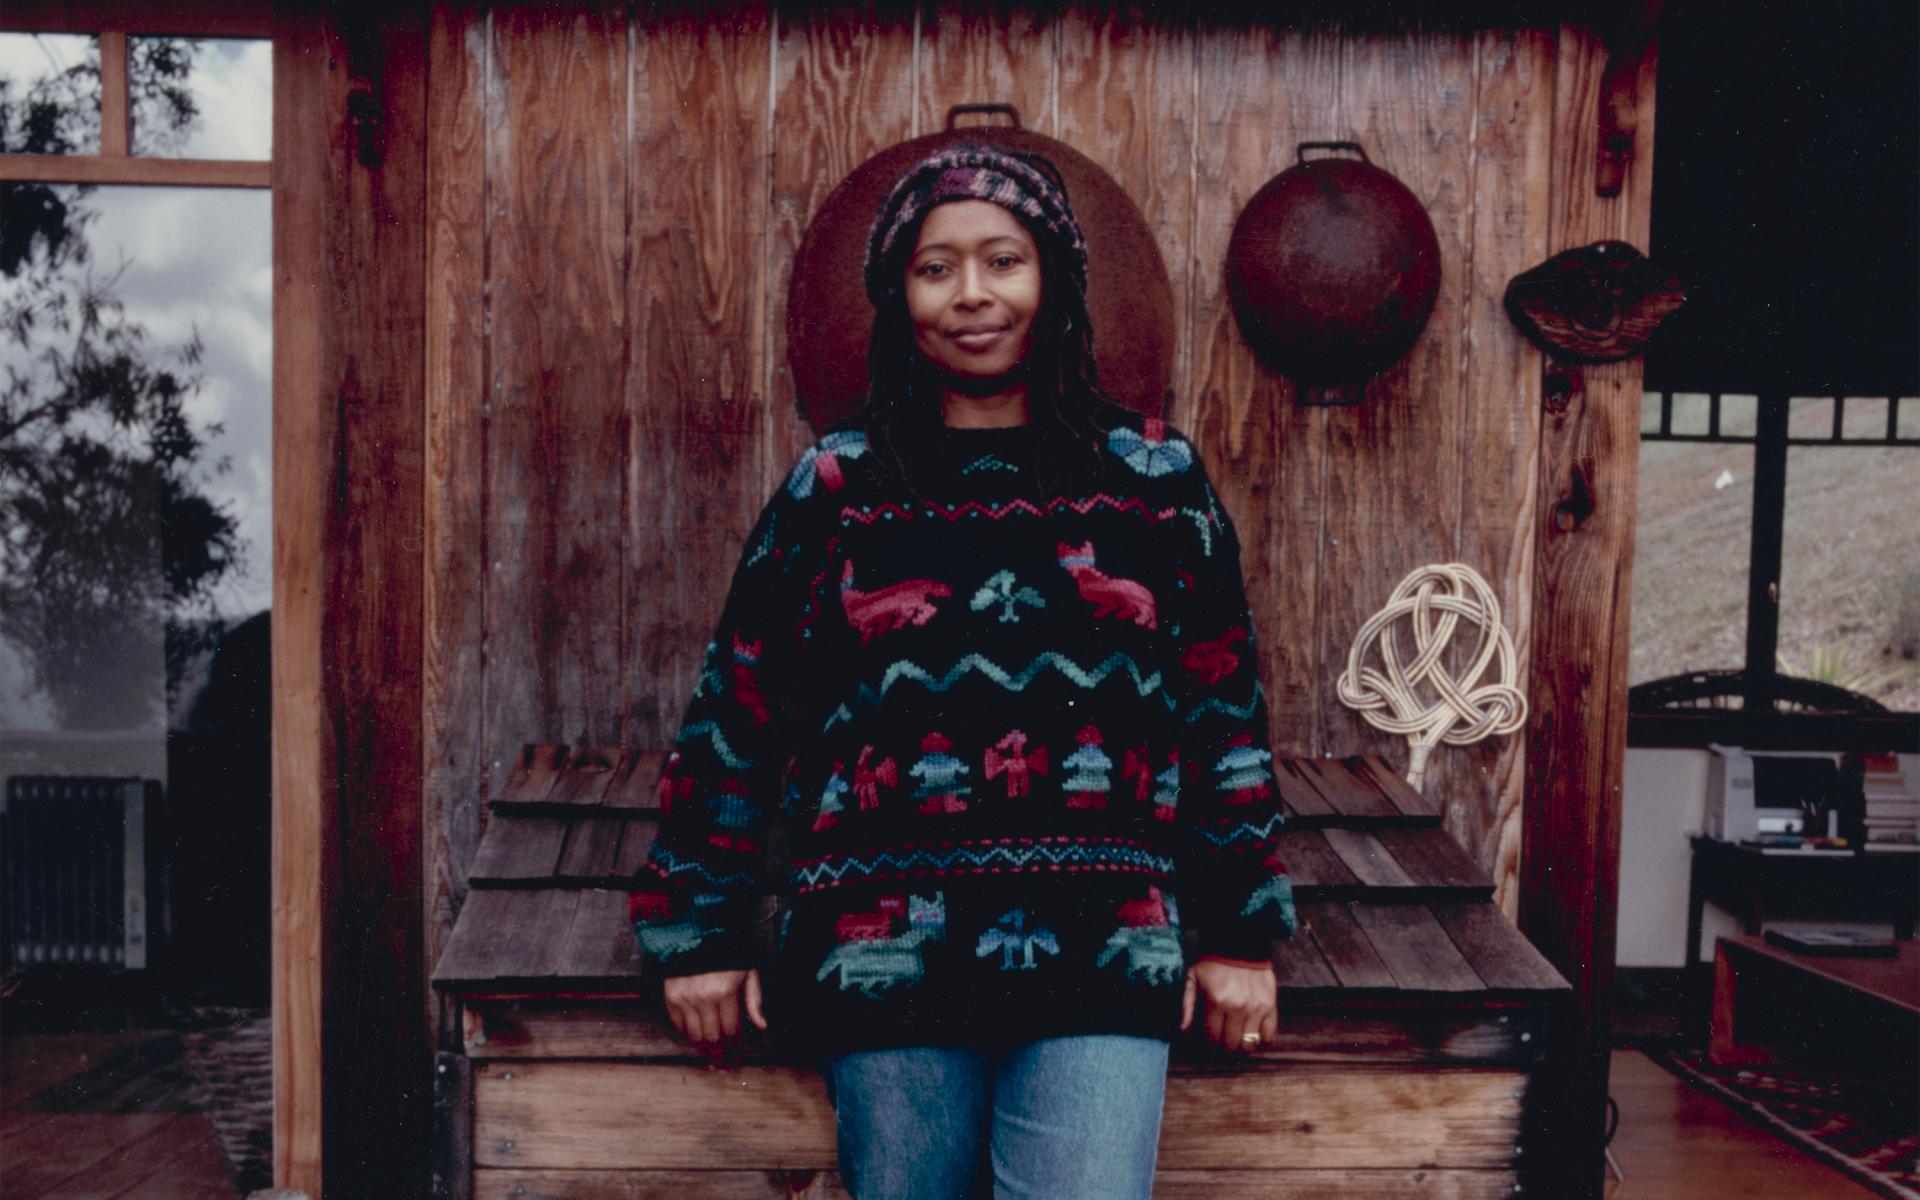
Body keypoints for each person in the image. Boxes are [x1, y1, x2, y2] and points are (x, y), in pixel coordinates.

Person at [628, 143, 1297, 1200]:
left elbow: (1220, 710)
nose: (971, 295)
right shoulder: (838, 487)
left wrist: (1243, 934)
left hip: (1105, 952)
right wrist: (696, 932)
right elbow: (739, 708)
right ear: (898, 295)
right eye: (935, 268)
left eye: (1003, 261)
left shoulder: (1156, 484)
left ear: (1055, 282)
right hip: (884, 952)